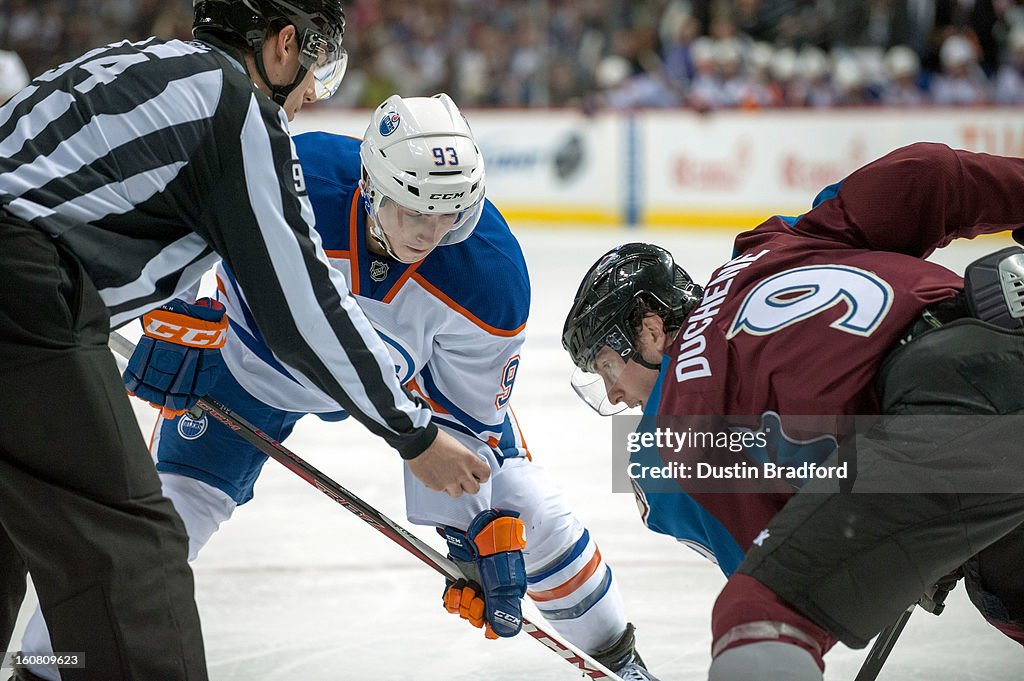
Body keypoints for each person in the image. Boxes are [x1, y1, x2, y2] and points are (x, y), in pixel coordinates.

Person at [15, 93, 660, 681]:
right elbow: (184, 220)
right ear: (370, 182)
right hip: (252, 363)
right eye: (413, 210)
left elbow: (467, 423)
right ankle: (44, 669)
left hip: (408, 389)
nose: (429, 235)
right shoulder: (301, 175)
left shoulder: (490, 278)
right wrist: (173, 306)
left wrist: (473, 531)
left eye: (451, 214)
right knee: (160, 520)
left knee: (525, 505)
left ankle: (619, 661)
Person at [0, 1, 489, 679]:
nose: (315, 94)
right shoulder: (237, 108)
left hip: (29, 295)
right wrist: (414, 434)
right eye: (319, 65)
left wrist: (152, 314)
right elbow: (302, 308)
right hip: (23, 301)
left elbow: (75, 199)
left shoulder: (129, 61)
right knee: (131, 559)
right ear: (284, 44)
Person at [562, 142, 1024, 680]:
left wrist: (901, 548)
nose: (614, 395)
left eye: (608, 367)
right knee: (1004, 590)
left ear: (648, 327)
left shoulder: (668, 441)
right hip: (998, 322)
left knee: (758, 619)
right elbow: (930, 175)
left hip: (950, 418)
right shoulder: (771, 245)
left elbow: (779, 560)